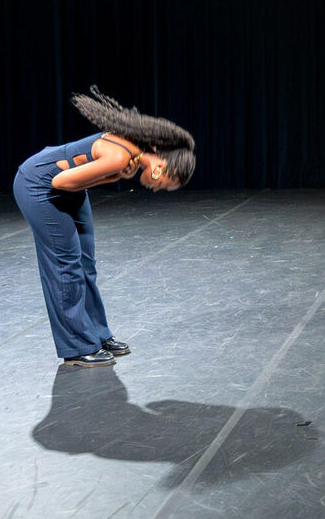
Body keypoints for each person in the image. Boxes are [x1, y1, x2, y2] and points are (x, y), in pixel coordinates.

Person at [14, 87, 195, 369]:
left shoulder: (131, 154)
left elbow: (75, 181)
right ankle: (77, 347)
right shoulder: (121, 157)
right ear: (161, 169)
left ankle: (97, 334)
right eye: (162, 185)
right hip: (38, 185)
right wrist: (112, 175)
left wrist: (111, 177)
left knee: (85, 263)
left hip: (67, 188)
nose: (155, 187)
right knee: (66, 265)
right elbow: (59, 183)